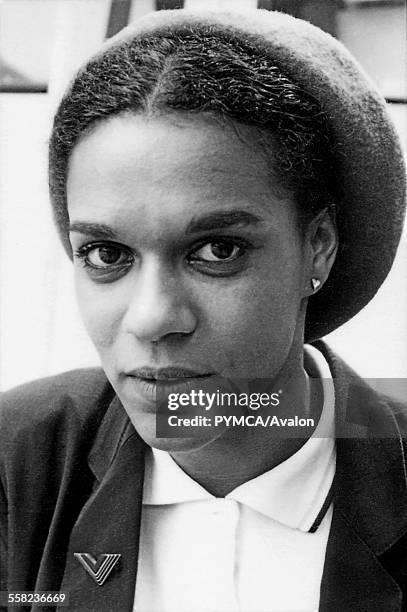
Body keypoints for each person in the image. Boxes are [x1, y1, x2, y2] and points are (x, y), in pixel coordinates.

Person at [1, 7, 406, 612]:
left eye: (218, 250)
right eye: (107, 253)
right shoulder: (18, 464)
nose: (152, 317)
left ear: (317, 246)